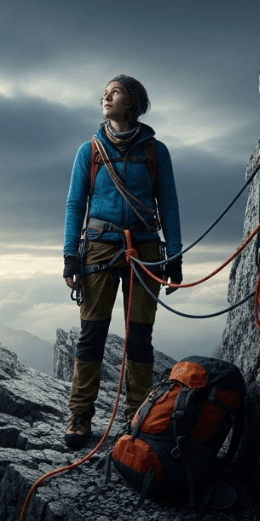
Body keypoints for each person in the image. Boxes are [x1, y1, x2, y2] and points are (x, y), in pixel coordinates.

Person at [61, 75, 183, 449]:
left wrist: (174, 257)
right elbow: (75, 204)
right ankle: (80, 415)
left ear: (132, 102)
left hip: (144, 251)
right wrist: (70, 255)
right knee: (92, 335)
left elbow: (169, 204)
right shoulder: (90, 151)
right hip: (98, 249)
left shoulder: (155, 152)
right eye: (105, 92)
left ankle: (136, 416)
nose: (105, 96)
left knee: (140, 340)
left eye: (114, 91)